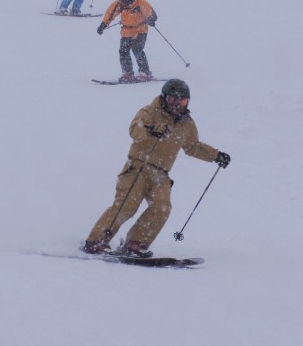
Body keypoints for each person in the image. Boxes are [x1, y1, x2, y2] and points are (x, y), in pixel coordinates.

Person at [82, 79, 231, 257]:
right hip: (138, 167)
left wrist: (215, 155)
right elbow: (134, 129)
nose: (178, 105)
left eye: (183, 101)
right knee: (126, 205)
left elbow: (193, 146)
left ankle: (136, 242)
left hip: (161, 173)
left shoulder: (186, 123)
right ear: (164, 98)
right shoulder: (150, 111)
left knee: (162, 207)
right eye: (174, 100)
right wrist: (151, 130)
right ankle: (97, 240)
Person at [97, 0, 157, 83]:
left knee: (137, 49)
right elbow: (110, 13)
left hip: (141, 29)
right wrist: (103, 25)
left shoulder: (140, 2)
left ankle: (145, 72)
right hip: (126, 31)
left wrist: (151, 19)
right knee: (123, 51)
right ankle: (127, 73)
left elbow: (152, 13)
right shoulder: (120, 2)